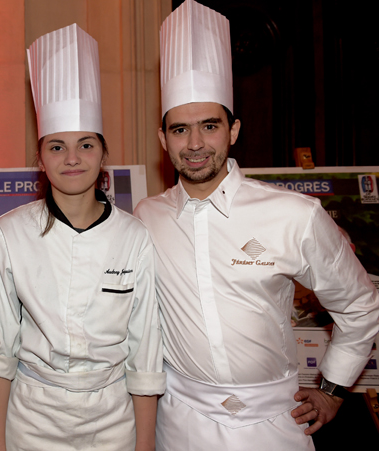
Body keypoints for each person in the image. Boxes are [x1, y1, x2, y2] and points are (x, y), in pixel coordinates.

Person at [133, 1, 379, 450]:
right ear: (162, 139)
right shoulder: (146, 217)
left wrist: (332, 390)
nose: (194, 144)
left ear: (234, 130)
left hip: (275, 426)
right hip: (179, 425)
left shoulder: (294, 215)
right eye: (180, 129)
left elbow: (361, 305)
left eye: (209, 126)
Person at [0, 24, 165, 451]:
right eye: (57, 147)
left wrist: (146, 444)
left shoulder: (134, 236)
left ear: (103, 156)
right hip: (32, 420)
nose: (73, 158)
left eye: (85, 145)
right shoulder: (11, 233)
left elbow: (145, 353)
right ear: (40, 159)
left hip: (114, 419)